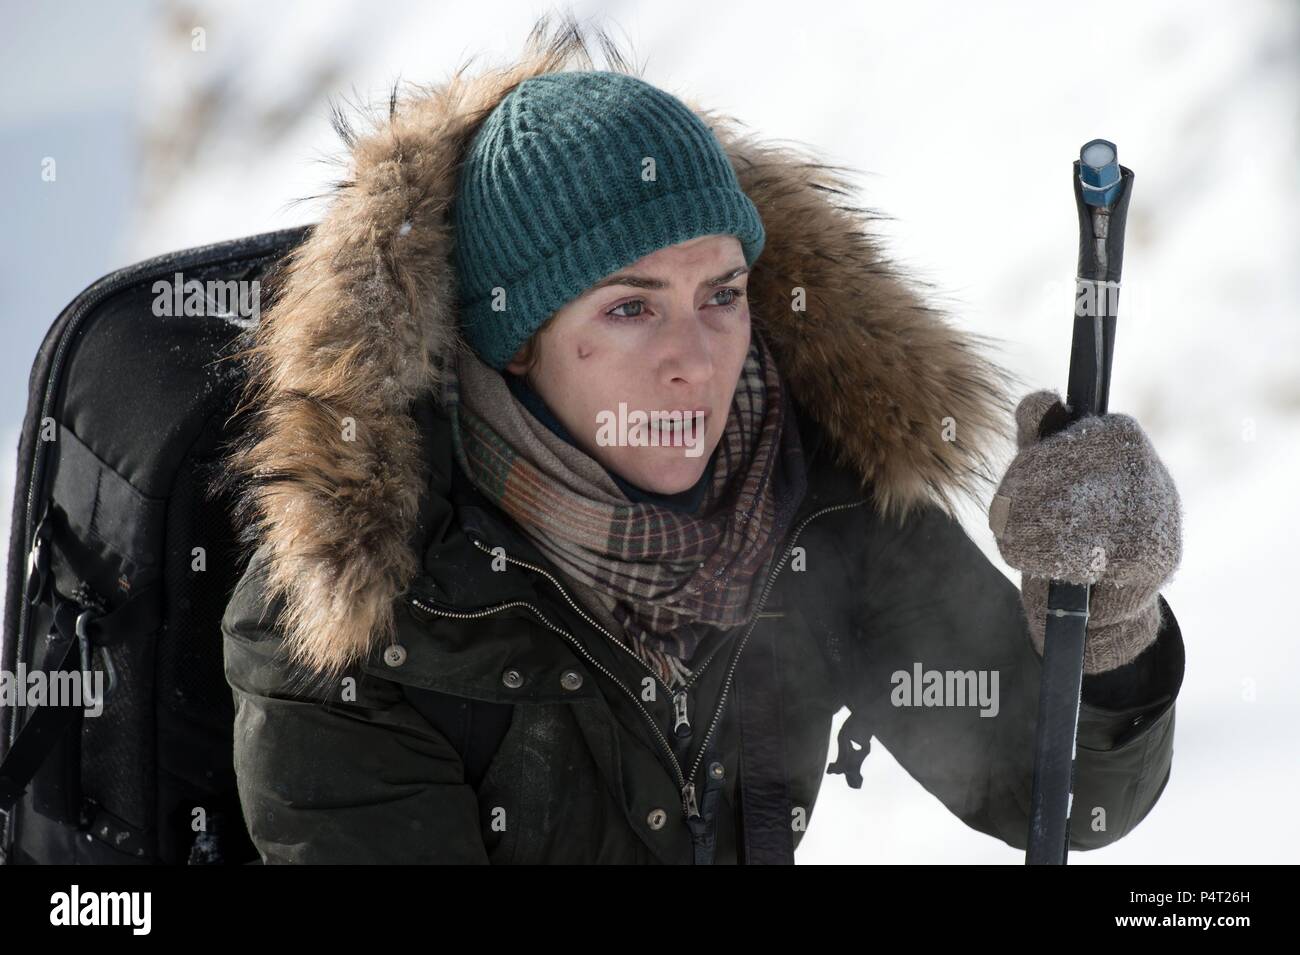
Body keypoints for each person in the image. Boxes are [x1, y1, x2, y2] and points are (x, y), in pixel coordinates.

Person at [220, 18, 1185, 864]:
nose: (697, 359)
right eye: (632, 307)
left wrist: (1106, 631)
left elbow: (1056, 791)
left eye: (722, 295)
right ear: (515, 346)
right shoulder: (362, 633)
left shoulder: (818, 502)